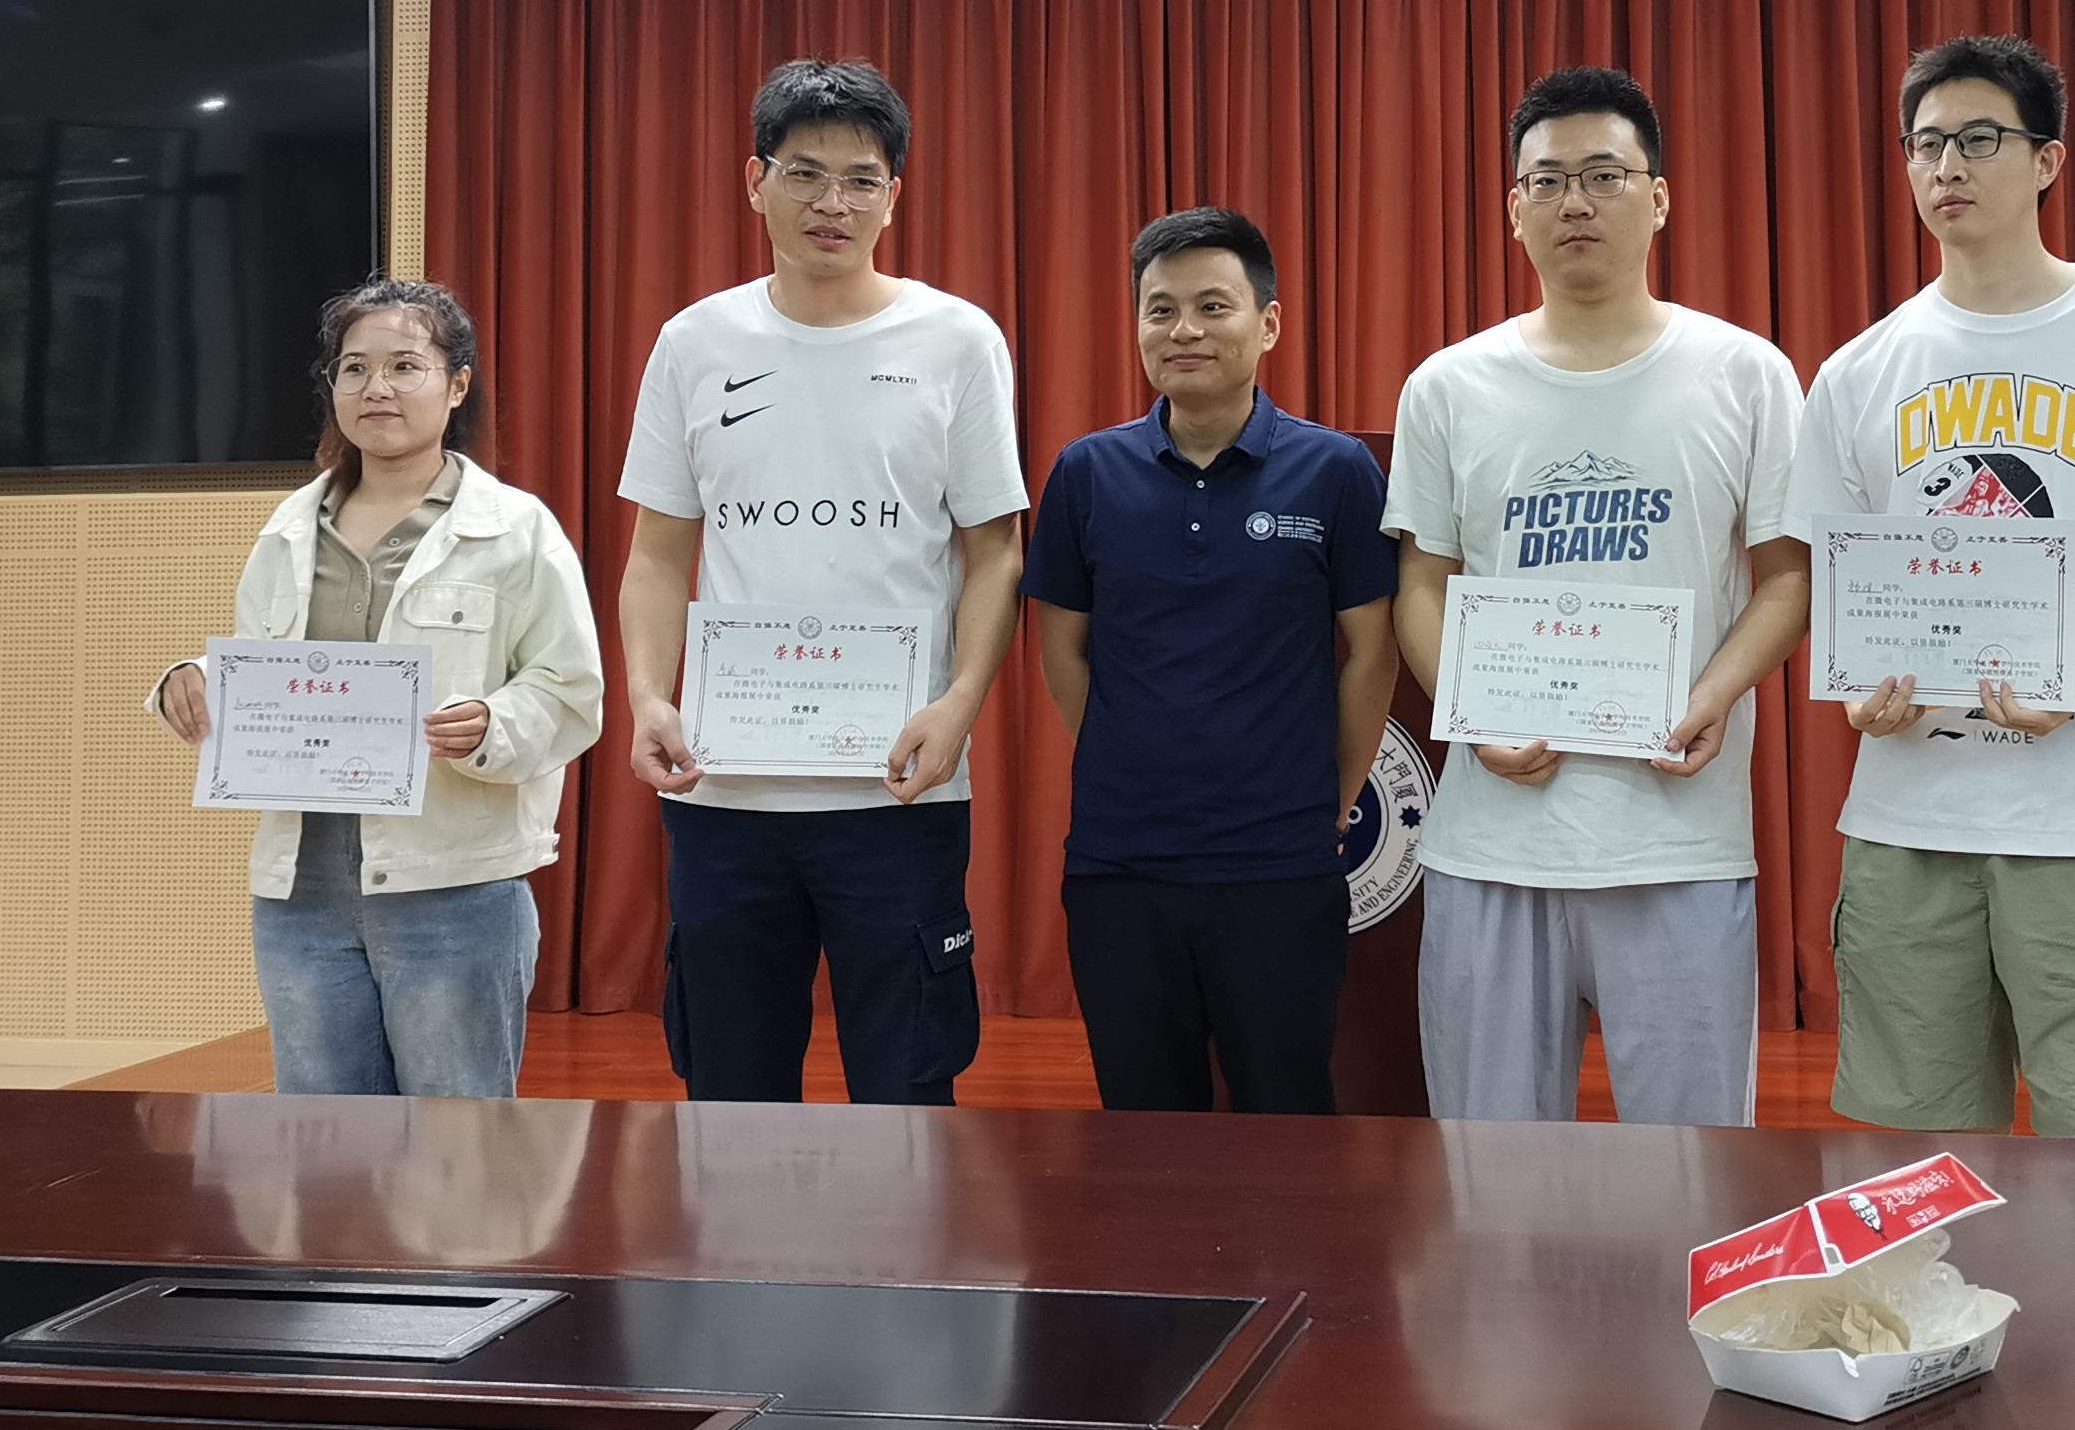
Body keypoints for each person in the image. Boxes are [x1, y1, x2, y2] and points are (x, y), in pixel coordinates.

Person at [1789, 33, 2075, 1141]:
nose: (1945, 166)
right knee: (1917, 1170)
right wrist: (1858, 693)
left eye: (1978, 139)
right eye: (1924, 144)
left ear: (2047, 161)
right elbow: (1835, 584)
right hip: (1909, 826)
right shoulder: (1857, 371)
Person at [1383, 66, 1809, 1127]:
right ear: (1513, 208)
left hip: (1676, 837)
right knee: (1486, 1167)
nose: (1574, 201)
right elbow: (1420, 586)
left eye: (1604, 175)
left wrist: (1714, 692)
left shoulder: (1745, 372)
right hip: (1492, 840)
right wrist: (1470, 715)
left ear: (1657, 198)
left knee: (1694, 1167)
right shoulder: (1447, 385)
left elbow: (1789, 575)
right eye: (1548, 180)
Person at [615, 58, 1029, 1105]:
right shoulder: (695, 342)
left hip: (895, 784)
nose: (831, 203)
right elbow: (657, 551)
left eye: (859, 179)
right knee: (729, 1089)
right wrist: (649, 696)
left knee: (907, 1088)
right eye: (804, 173)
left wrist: (959, 703)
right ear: (755, 181)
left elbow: (995, 549)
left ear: (895, 195)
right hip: (725, 788)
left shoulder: (955, 339)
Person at [149, 277, 602, 1097]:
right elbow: (276, 669)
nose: (376, 388)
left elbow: (570, 690)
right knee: (324, 1141)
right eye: (353, 369)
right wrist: (200, 680)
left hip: (453, 882)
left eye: (404, 366)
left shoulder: (515, 528)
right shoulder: (288, 529)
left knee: (456, 1138)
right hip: (302, 891)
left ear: (456, 385)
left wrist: (492, 724)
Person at [1023, 206, 1401, 1112]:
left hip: (1280, 864)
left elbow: (1371, 653)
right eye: (1160, 310)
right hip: (1119, 865)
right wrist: (1127, 753)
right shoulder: (1086, 472)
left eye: (1211, 307)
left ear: (1267, 323)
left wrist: (1334, 795)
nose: (1183, 330)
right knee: (1142, 1122)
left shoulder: (1335, 470)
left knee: (1285, 1115)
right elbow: (1062, 645)